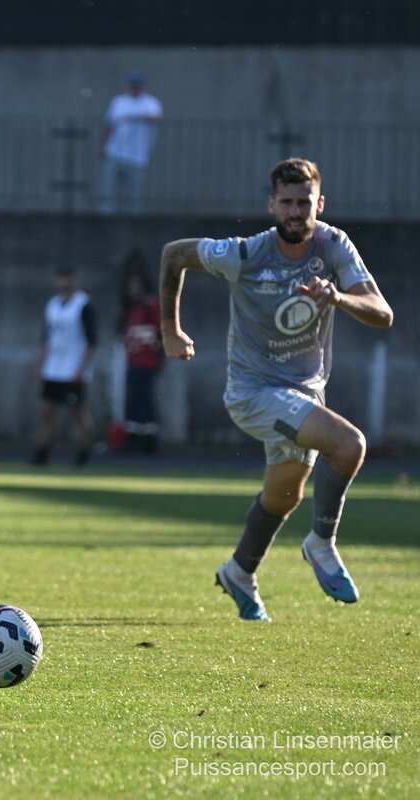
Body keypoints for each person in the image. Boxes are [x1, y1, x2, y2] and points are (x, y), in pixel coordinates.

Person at [160, 157, 393, 622]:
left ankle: (239, 572)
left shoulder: (333, 245)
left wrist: (338, 297)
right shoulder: (247, 254)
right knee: (349, 445)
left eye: (304, 202)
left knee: (284, 495)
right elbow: (174, 254)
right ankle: (321, 542)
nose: (295, 211)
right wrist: (170, 329)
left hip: (303, 395)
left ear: (319, 204)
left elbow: (382, 313)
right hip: (253, 393)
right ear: (271, 205)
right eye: (286, 202)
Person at [31, 266, 96, 466]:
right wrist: (39, 364)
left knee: (78, 414)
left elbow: (91, 341)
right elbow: (47, 338)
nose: (64, 282)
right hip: (53, 368)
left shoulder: (83, 305)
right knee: (45, 411)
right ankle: (42, 453)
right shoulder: (52, 305)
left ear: (75, 280)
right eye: (61, 278)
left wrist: (81, 369)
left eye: (68, 278)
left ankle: (83, 453)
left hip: (72, 369)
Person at [98, 71, 162, 214]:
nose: (134, 88)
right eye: (132, 85)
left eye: (137, 85)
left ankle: (134, 215)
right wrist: (103, 145)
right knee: (108, 187)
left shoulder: (150, 103)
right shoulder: (118, 101)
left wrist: (134, 117)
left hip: (137, 155)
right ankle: (105, 213)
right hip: (115, 150)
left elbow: (155, 118)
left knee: (135, 191)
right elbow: (110, 124)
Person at [120, 270, 162, 454]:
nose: (133, 290)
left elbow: (160, 331)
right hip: (133, 360)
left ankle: (147, 439)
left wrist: (160, 356)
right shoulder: (132, 309)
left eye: (136, 286)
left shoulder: (150, 306)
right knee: (133, 398)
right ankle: (134, 435)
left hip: (146, 361)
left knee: (142, 399)